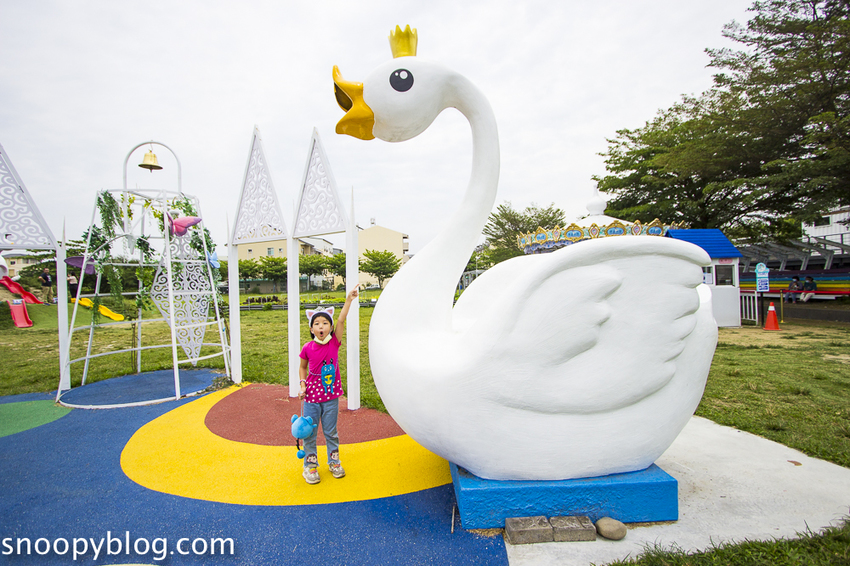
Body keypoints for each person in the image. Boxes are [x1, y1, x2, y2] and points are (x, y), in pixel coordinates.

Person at [298, 287, 360, 485]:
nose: (321, 326)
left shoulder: (334, 343)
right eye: (317, 323)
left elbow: (341, 320)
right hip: (311, 399)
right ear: (311, 329)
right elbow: (302, 367)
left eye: (325, 323)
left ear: (331, 327)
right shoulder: (308, 347)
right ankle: (310, 465)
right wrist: (302, 384)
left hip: (331, 397)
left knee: (331, 432)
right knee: (309, 432)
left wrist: (348, 300)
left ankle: (334, 461)